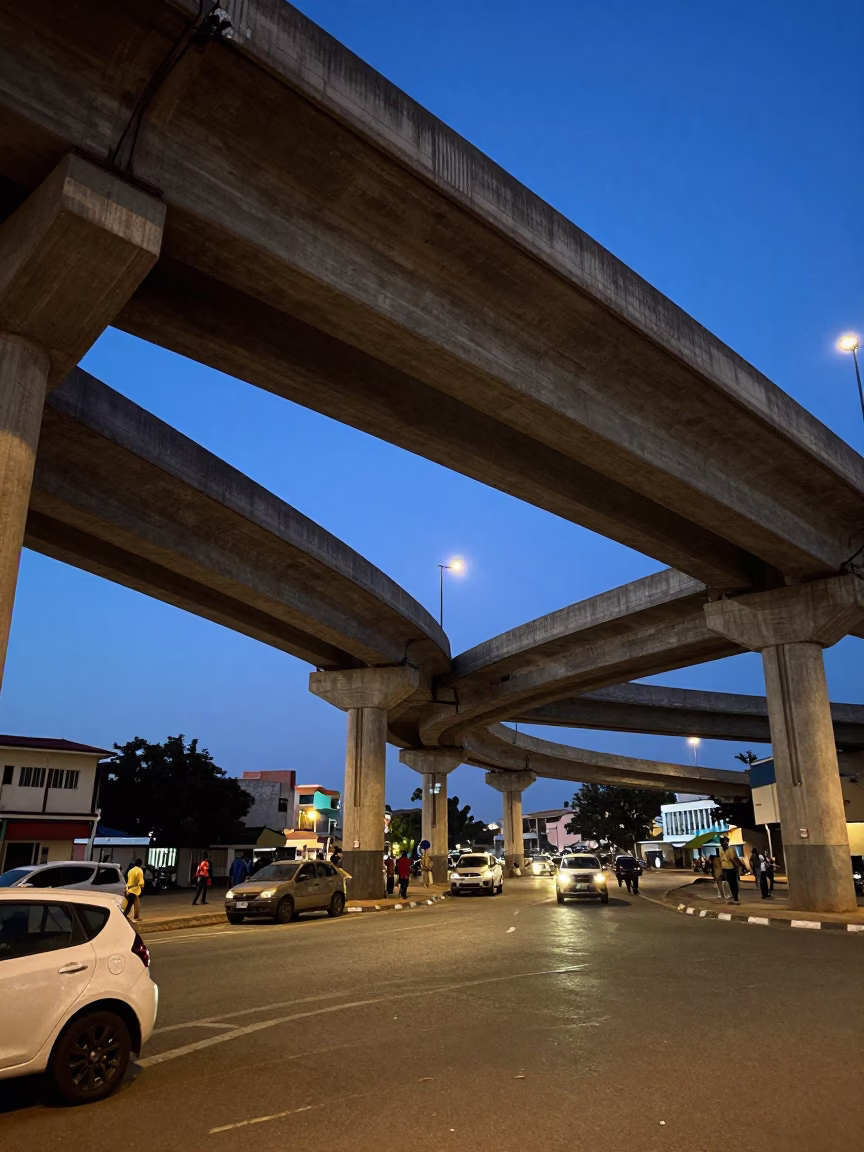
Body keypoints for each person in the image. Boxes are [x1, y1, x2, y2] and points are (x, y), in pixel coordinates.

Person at [718, 837, 742, 904]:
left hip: (732, 867)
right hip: (724, 868)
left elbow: (734, 858)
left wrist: (738, 866)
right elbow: (718, 859)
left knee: (734, 883)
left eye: (727, 842)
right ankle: (732, 896)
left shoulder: (731, 849)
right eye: (725, 842)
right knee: (729, 883)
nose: (726, 843)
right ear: (722, 843)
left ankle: (735, 896)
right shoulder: (719, 849)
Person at [124, 857, 145, 922]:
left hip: (128, 889)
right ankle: (125, 915)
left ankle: (134, 916)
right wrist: (142, 888)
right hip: (135, 890)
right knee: (132, 904)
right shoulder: (139, 870)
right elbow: (141, 882)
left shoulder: (131, 870)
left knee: (132, 904)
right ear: (141, 864)